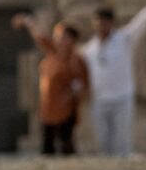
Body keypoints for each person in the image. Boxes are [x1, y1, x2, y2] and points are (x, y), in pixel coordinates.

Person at [81, 0, 146, 156]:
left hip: (122, 98)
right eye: (97, 22)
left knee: (122, 142)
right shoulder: (89, 48)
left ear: (111, 23)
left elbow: (139, 24)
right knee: (102, 142)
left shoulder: (124, 39)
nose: (100, 26)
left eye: (104, 22)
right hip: (99, 100)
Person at [11, 14, 90, 155]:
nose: (58, 39)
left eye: (63, 36)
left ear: (71, 40)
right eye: (57, 36)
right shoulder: (53, 52)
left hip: (65, 111)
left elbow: (80, 86)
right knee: (47, 147)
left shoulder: (75, 61)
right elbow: (39, 36)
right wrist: (26, 21)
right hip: (47, 108)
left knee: (66, 146)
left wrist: (69, 96)